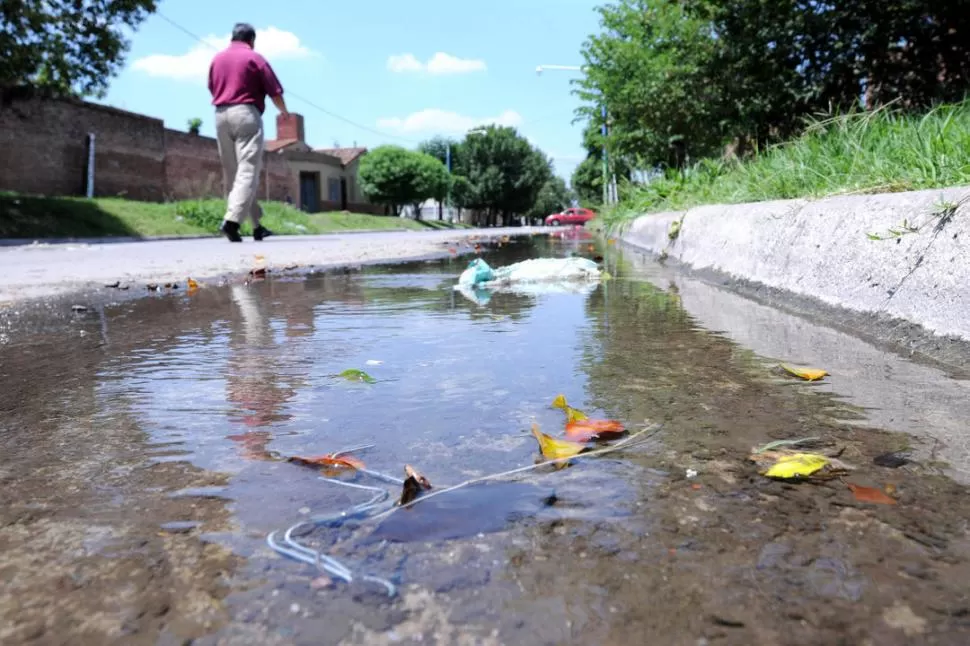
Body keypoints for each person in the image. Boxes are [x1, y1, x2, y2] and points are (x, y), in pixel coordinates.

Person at [208, 23, 289, 242]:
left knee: (234, 175)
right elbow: (275, 91)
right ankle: (232, 221)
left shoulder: (217, 59)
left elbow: (212, 87)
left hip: (220, 114)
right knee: (248, 171)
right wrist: (284, 112)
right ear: (252, 39)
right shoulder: (255, 58)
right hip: (246, 114)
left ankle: (256, 226)